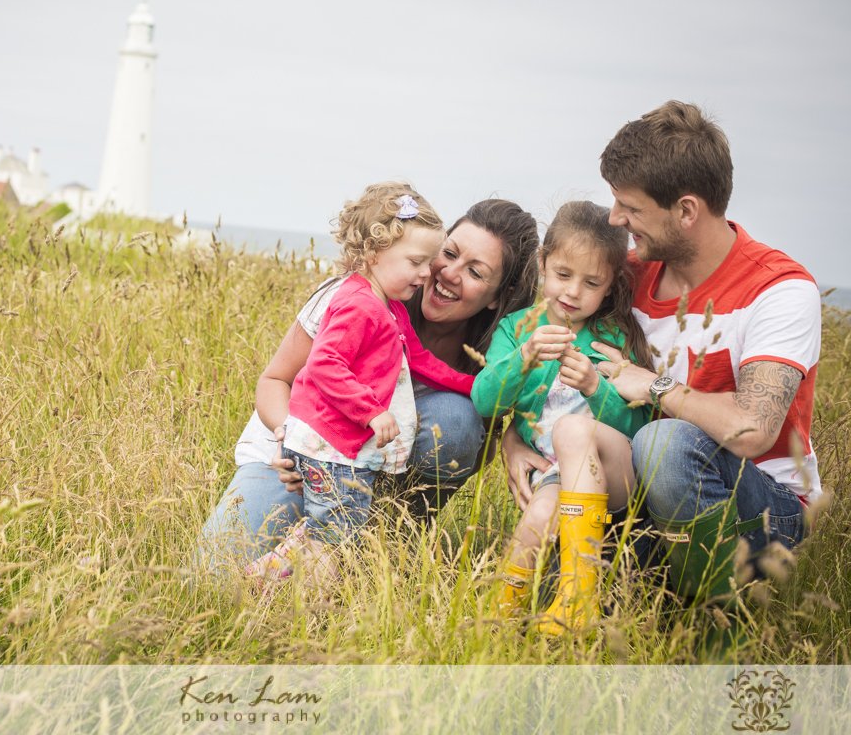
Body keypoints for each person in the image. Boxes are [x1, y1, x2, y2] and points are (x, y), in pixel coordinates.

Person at [534, 100, 821, 614]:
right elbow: (535, 344)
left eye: (630, 207)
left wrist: (655, 386)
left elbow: (753, 427)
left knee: (663, 444)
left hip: (762, 507)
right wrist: (512, 443)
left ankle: (709, 614)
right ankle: (637, 588)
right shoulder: (623, 275)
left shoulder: (779, 288)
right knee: (555, 572)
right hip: (641, 491)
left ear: (686, 210)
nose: (615, 218)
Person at [196, 196, 540, 570]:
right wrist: (287, 439)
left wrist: (513, 439)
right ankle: (324, 546)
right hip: (293, 460)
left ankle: (386, 539)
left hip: (366, 481)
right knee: (212, 574)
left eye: (475, 272)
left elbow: (485, 428)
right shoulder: (354, 299)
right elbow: (275, 379)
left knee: (456, 420)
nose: (446, 273)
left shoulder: (494, 354)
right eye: (448, 253)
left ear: (497, 298)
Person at [243, 185, 476, 583]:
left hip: (340, 451)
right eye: (417, 262)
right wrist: (371, 412)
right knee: (334, 538)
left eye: (428, 262)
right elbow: (324, 364)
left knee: (333, 531)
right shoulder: (357, 303)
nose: (427, 273)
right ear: (373, 254)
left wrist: (474, 385)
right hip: (326, 448)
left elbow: (419, 360)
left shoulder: (391, 307)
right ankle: (275, 587)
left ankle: (275, 579)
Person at [471, 201, 653, 633]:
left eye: (591, 283)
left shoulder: (613, 336)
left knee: (551, 489)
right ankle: (505, 615)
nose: (572, 292)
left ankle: (568, 600)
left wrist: (595, 387)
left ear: (609, 287)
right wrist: (525, 357)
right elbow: (484, 401)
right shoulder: (517, 329)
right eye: (563, 275)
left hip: (609, 468)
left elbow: (639, 428)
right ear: (543, 264)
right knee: (536, 518)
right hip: (551, 469)